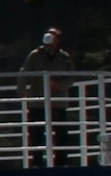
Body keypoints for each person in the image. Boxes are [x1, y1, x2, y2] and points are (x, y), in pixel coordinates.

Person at [22, 24, 73, 163]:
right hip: (37, 100)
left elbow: (71, 78)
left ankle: (61, 161)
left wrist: (58, 85)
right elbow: (24, 73)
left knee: (61, 131)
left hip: (58, 101)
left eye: (53, 35)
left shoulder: (64, 57)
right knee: (36, 132)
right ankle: (38, 161)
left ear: (58, 40)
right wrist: (22, 92)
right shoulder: (35, 55)